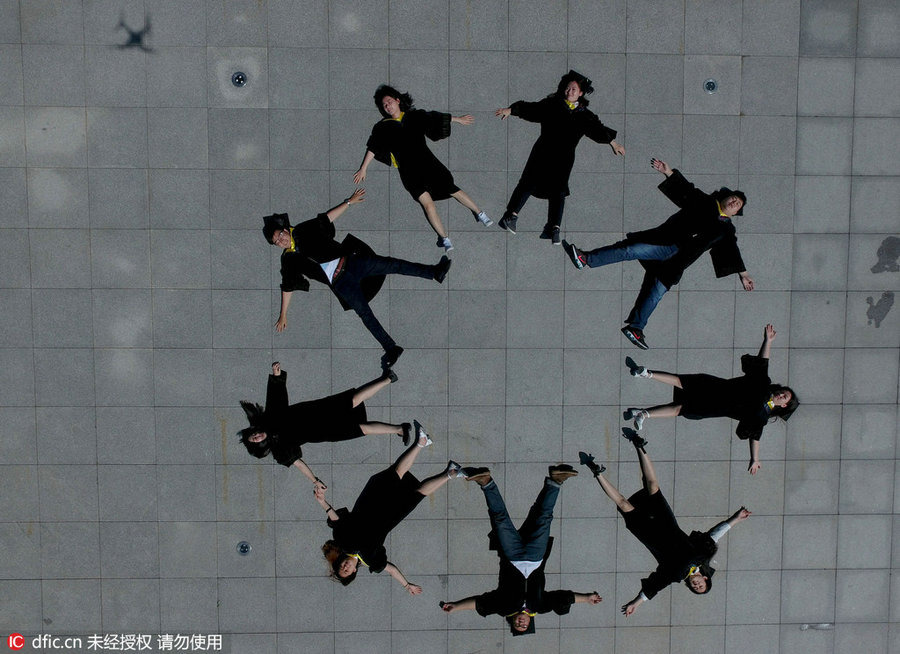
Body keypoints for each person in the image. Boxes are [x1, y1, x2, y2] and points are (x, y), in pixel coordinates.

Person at [564, 157, 752, 350]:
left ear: (736, 213)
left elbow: (732, 249)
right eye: (734, 198)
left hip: (678, 262)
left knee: (654, 293)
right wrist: (667, 172)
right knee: (630, 249)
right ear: (725, 197)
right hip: (666, 244)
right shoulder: (706, 202)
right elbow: (688, 190)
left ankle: (636, 328)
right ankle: (586, 259)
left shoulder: (726, 231)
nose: (735, 202)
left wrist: (743, 275)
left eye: (738, 204)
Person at [263, 188, 452, 369]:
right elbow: (287, 286)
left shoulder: (302, 230)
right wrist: (283, 314)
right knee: (365, 314)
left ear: (286, 230)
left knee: (393, 264)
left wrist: (348, 202)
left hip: (352, 261)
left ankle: (435, 272)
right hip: (341, 283)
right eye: (276, 242)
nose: (281, 241)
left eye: (280, 235)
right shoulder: (288, 260)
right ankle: (391, 348)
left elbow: (326, 218)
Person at [580, 432, 751, 617]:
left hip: (648, 534)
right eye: (701, 585)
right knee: (652, 486)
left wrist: (635, 603)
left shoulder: (675, 575)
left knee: (623, 504)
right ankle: (639, 445)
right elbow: (714, 535)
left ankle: (597, 473)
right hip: (667, 523)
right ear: (705, 577)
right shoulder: (703, 556)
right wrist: (735, 519)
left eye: (696, 588)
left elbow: (654, 587)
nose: (697, 585)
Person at [439, 465, 603, 636]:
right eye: (524, 626)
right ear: (530, 623)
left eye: (517, 625)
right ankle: (556, 480)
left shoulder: (503, 607)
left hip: (512, 556)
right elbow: (564, 597)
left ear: (512, 621)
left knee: (500, 520)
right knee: (544, 518)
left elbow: (480, 603)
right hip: (535, 556)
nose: (521, 622)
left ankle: (486, 482)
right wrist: (587, 598)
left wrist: (456, 606)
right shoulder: (540, 606)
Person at [623, 324, 799, 475]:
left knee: (680, 409)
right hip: (716, 386)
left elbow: (755, 437)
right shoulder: (764, 383)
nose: (781, 394)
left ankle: (644, 414)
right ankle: (647, 373)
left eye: (784, 397)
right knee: (681, 381)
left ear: (783, 405)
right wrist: (767, 341)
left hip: (716, 407)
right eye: (783, 391)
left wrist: (755, 459)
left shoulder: (762, 416)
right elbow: (763, 362)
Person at [316, 422, 466, 592]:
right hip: (389, 516)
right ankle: (451, 473)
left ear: (340, 561)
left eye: (341, 567)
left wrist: (322, 501)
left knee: (396, 473)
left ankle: (421, 442)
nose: (344, 568)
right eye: (347, 572)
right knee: (418, 493)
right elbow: (391, 569)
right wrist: (406, 585)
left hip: (370, 501)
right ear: (354, 571)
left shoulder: (344, 542)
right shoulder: (371, 561)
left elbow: (336, 520)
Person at [354, 85, 492, 252]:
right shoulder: (383, 127)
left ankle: (479, 213)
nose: (388, 106)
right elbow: (374, 147)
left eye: (389, 102)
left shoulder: (414, 117)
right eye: (384, 105)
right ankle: (444, 238)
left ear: (398, 101)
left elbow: (434, 118)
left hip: (429, 165)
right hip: (409, 172)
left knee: (454, 190)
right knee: (428, 205)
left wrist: (457, 119)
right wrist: (364, 168)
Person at [495, 70, 624, 245]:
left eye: (573, 89)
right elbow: (533, 109)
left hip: (564, 158)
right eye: (568, 88)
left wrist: (613, 143)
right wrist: (512, 110)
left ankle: (553, 228)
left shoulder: (584, 115)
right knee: (529, 182)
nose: (569, 91)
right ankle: (510, 216)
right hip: (543, 152)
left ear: (580, 93)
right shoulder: (552, 105)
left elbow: (598, 129)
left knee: (559, 190)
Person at [238, 362, 414, 488]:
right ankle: (400, 429)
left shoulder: (270, 419)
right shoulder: (279, 451)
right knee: (362, 428)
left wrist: (277, 376)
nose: (257, 437)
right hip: (324, 431)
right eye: (255, 440)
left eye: (253, 435)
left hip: (316, 411)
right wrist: (314, 480)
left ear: (254, 430)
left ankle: (388, 379)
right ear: (259, 445)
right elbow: (299, 464)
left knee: (354, 400)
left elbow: (276, 398)